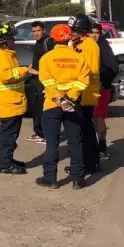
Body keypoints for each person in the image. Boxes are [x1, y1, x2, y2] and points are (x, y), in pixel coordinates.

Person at [37, 24, 91, 189]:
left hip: (52, 105)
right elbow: (83, 82)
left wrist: (59, 98)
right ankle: (77, 179)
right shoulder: (79, 58)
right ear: (69, 38)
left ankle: (51, 178)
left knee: (52, 142)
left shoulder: (46, 58)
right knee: (75, 141)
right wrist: (70, 98)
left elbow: (46, 81)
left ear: (53, 39)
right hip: (73, 105)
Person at [0, 22, 28, 175]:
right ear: (5, 40)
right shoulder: (0, 55)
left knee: (12, 134)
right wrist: (25, 70)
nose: (14, 41)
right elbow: (6, 76)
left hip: (13, 101)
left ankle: (8, 160)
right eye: (12, 38)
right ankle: (5, 164)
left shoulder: (7, 53)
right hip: (8, 102)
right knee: (8, 135)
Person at [68, 14, 102, 174]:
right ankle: (88, 163)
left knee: (85, 131)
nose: (71, 32)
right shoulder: (76, 43)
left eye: (73, 30)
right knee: (84, 130)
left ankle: (89, 164)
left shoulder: (90, 46)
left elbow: (92, 69)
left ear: (82, 30)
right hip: (79, 93)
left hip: (86, 94)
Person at [90, 22, 119, 158]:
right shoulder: (90, 46)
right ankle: (96, 147)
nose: (94, 35)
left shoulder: (103, 47)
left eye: (97, 33)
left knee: (98, 117)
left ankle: (102, 148)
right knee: (93, 118)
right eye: (92, 32)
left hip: (102, 88)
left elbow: (112, 68)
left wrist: (103, 83)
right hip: (90, 88)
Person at [26, 21, 47, 144]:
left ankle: (44, 134)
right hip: (35, 82)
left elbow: (52, 64)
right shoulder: (38, 43)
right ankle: (38, 132)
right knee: (36, 108)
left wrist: (37, 72)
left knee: (42, 109)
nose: (36, 33)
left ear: (43, 30)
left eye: (38, 31)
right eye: (34, 31)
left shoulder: (47, 42)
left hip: (43, 81)